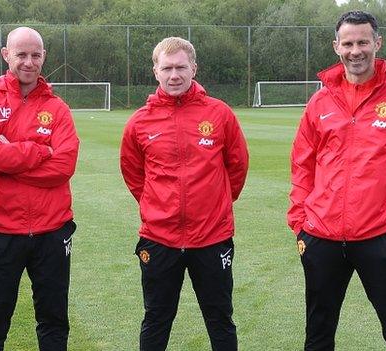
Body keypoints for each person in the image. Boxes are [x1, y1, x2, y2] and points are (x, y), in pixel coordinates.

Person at [288, 10, 386, 351]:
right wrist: (299, 222)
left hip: (380, 237)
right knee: (318, 334)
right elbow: (302, 165)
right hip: (321, 236)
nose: (356, 50)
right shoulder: (320, 101)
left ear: (377, 43)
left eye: (363, 41)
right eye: (348, 43)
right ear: (336, 46)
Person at [120, 37, 249, 351]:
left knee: (220, 319)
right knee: (156, 319)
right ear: (155, 71)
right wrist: (158, 205)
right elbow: (134, 174)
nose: (174, 75)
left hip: (211, 237)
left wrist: (213, 203)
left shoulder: (219, 114)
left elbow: (237, 166)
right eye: (167, 68)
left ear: (194, 68)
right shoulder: (139, 122)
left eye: (180, 67)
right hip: (159, 237)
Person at [0, 27, 79, 351]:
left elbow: (64, 166)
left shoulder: (58, 109)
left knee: (54, 323)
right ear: (6, 55)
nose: (29, 62)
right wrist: (40, 150)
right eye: (21, 54)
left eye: (35, 55)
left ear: (44, 57)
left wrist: (12, 159)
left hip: (52, 230)